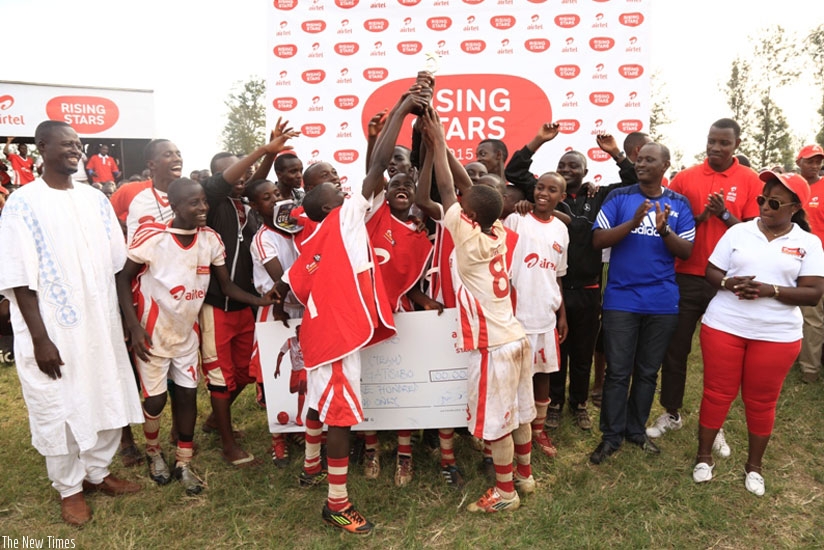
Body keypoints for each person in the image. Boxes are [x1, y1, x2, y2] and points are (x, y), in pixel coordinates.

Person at [284, 88, 422, 535]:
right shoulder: (342, 221)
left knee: (323, 407)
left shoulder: (316, 239)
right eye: (339, 192)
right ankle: (337, 503)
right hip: (337, 340)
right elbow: (378, 169)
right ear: (331, 207)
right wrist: (404, 108)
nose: (349, 194)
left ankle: (310, 468)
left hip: (322, 334)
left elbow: (294, 291)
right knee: (340, 416)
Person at [0, 120, 144, 526]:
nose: (75, 150)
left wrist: (128, 321)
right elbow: (16, 279)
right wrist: (41, 340)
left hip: (99, 323)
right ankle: (69, 487)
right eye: (65, 144)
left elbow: (119, 267)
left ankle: (97, 472)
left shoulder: (96, 199)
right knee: (58, 404)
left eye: (78, 144)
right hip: (53, 328)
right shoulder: (23, 203)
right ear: (42, 147)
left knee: (104, 391)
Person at [116, 177, 277, 495]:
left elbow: (226, 286)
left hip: (186, 335)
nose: (202, 207)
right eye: (194, 202)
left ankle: (183, 462)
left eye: (204, 201)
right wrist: (134, 326)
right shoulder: (153, 238)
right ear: (174, 207)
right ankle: (153, 452)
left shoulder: (210, 240)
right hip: (152, 335)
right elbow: (123, 280)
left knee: (188, 396)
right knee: (156, 399)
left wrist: (261, 300)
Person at [420, 106, 536, 513]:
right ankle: (525, 474)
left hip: (492, 346)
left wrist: (436, 144)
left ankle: (506, 493)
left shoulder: (466, 239)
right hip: (515, 336)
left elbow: (450, 187)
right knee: (521, 414)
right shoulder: (497, 228)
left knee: (499, 423)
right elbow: (468, 187)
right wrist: (442, 138)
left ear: (467, 214)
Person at [692, 170, 824, 496]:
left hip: (777, 335)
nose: (765, 206)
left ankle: (754, 467)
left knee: (762, 401)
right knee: (716, 393)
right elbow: (712, 271)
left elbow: (813, 293)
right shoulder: (738, 231)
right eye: (762, 199)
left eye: (775, 201)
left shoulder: (808, 243)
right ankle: (704, 457)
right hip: (724, 325)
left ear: (794, 207)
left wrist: (770, 290)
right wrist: (727, 283)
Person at [506, 126, 631, 433]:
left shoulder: (598, 194)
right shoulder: (546, 193)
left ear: (586, 171)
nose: (567, 169)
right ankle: (555, 404)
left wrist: (615, 152)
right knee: (555, 351)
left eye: (573, 166)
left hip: (587, 289)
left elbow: (631, 182)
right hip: (553, 288)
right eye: (562, 165)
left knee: (583, 351)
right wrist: (539, 140)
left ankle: (579, 405)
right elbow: (515, 170)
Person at [648, 119, 762, 452]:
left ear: (736, 145)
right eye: (711, 141)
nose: (715, 148)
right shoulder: (686, 177)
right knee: (676, 349)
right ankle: (671, 412)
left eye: (723, 143)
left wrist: (724, 215)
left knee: (721, 358)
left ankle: (717, 424)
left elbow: (755, 235)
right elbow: (676, 224)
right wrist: (700, 217)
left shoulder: (750, 181)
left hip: (726, 281)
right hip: (684, 275)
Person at [199, 121, 298, 467]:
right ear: (216, 178)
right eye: (231, 173)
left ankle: (215, 420)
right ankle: (228, 445)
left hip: (247, 304)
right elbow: (234, 180)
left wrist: (268, 154)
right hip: (217, 302)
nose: (240, 176)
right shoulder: (212, 202)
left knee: (244, 371)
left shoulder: (247, 207)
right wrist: (262, 152)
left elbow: (254, 185)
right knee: (221, 376)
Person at [589, 143, 695, 465]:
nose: (641, 163)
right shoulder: (619, 197)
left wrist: (663, 230)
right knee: (618, 372)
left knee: (648, 371)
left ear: (665, 165)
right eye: (639, 158)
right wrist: (632, 223)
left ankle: (635, 431)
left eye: (650, 159)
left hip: (662, 301)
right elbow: (598, 241)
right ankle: (610, 436)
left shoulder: (678, 203)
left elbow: (686, 251)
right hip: (622, 299)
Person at [504, 172, 569, 462]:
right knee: (512, 377)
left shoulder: (561, 229)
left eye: (552, 190)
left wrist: (562, 315)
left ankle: (539, 429)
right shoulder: (516, 220)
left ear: (561, 198)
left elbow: (558, 276)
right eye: (540, 187)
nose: (544, 193)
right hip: (516, 316)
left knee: (542, 374)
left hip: (545, 315)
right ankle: (510, 430)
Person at [110, 139, 182, 241]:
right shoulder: (129, 190)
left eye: (178, 154)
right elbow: (104, 220)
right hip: (137, 256)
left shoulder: (188, 193)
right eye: (168, 155)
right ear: (151, 165)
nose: (177, 159)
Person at [794, 144, 824, 383]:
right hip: (789, 257)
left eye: (818, 161)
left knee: (813, 315)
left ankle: (810, 368)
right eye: (809, 161)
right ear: (799, 162)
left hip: (817, 261)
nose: (814, 165)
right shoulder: (791, 187)